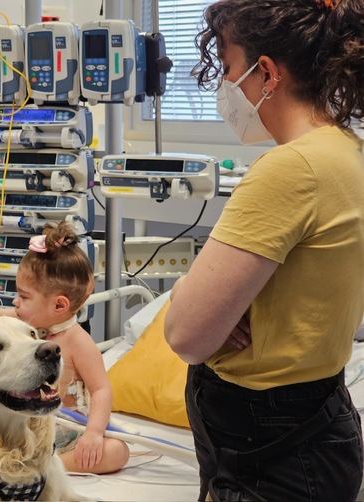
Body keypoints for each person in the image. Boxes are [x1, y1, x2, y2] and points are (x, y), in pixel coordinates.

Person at [164, 0, 364, 500]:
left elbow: (187, 334)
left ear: (267, 73)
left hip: (270, 441)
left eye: (230, 69)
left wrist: (190, 294)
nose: (226, 87)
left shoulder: (290, 169)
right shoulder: (346, 150)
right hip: (318, 421)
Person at [0, 222, 130, 474]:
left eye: (24, 296)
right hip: (25, 428)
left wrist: (93, 434)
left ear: (59, 306)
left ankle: (50, 468)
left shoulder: (77, 341)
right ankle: (31, 467)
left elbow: (101, 389)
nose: (16, 301)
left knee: (118, 451)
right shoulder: (20, 324)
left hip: (67, 431)